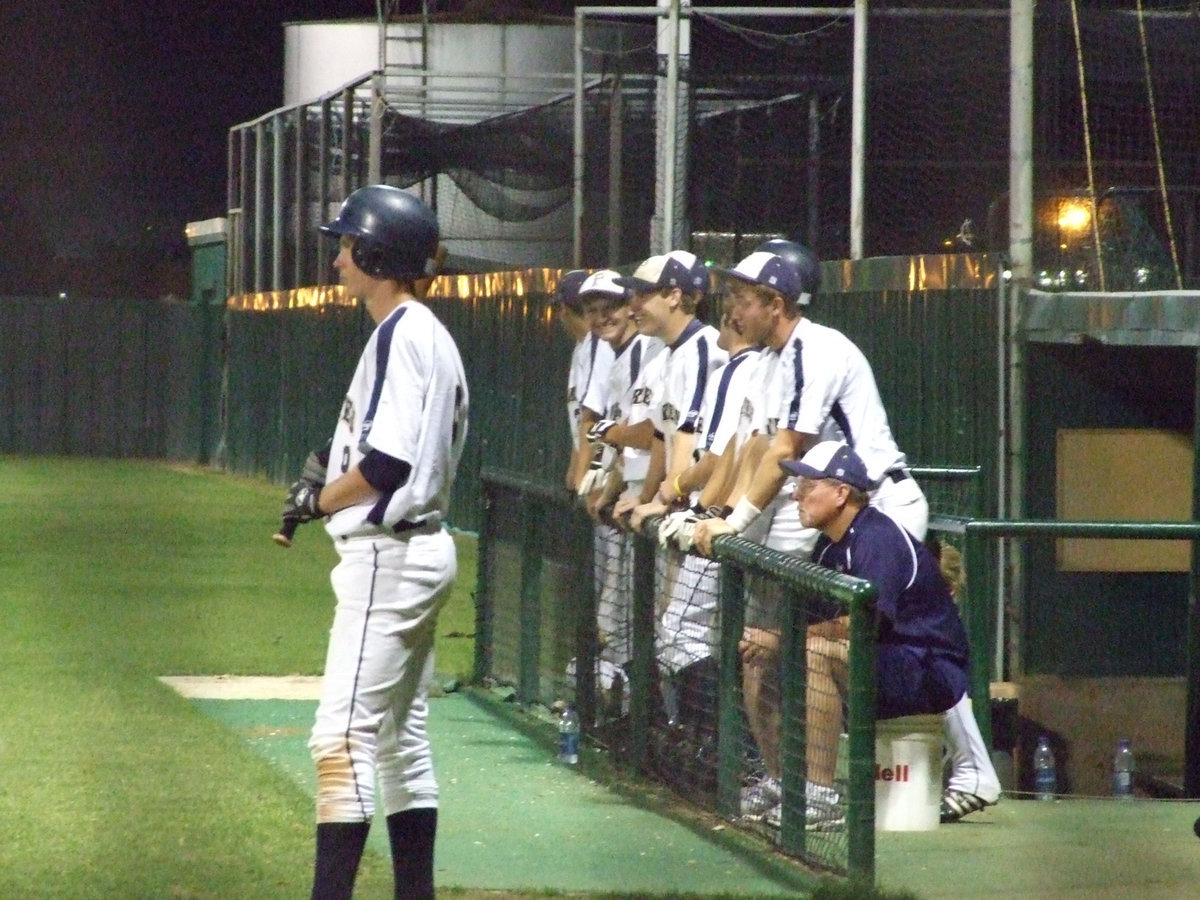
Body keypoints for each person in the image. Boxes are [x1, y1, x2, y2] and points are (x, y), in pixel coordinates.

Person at [280, 184, 469, 900]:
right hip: (419, 550)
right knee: (400, 742)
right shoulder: (423, 331)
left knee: (343, 741)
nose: (337, 258)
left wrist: (314, 498)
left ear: (376, 254)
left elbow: (385, 466)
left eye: (347, 244)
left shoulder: (402, 330)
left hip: (391, 558)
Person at [784, 440, 999, 827]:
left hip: (929, 677)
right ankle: (779, 780)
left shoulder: (876, 538)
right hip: (890, 664)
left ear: (840, 492)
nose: (794, 495)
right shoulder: (828, 545)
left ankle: (819, 796)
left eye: (806, 486)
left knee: (812, 651)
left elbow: (866, 624)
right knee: (761, 651)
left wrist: (785, 639)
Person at [558, 269, 615, 493]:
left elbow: (592, 414)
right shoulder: (583, 346)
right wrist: (575, 463)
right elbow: (581, 416)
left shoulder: (599, 344)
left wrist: (582, 473)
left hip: (604, 467)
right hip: (600, 464)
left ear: (563, 310)